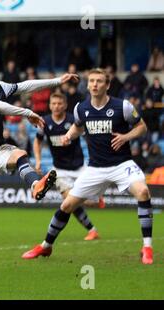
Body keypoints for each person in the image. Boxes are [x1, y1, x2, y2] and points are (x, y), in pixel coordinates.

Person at [0, 46, 79, 272]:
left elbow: (25, 86)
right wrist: (27, 113)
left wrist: (56, 81)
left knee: (19, 154)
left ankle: (36, 185)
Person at [22, 68, 154, 265]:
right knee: (66, 205)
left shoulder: (123, 106)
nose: (94, 84)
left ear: (107, 85)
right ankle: (46, 246)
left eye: (99, 81)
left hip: (121, 164)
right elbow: (77, 125)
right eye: (91, 81)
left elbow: (142, 126)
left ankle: (147, 247)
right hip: (95, 168)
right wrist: (69, 135)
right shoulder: (80, 109)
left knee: (143, 192)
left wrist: (126, 137)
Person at [34, 92, 102, 241]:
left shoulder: (73, 120)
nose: (56, 106)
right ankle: (92, 230)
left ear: (65, 105)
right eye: (53, 103)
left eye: (59, 103)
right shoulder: (44, 122)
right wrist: (38, 160)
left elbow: (89, 137)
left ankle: (96, 200)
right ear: (49, 105)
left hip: (79, 167)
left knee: (90, 202)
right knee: (68, 200)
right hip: (60, 170)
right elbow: (37, 141)